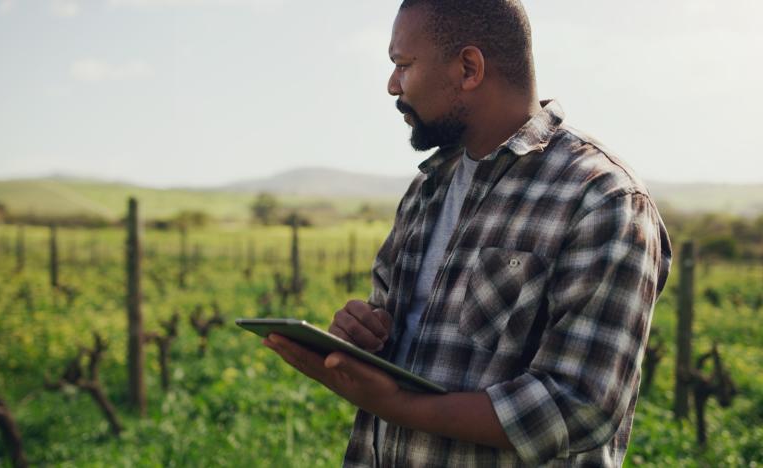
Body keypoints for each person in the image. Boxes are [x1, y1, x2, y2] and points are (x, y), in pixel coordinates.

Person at [263, 0, 672, 466]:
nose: (392, 85)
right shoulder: (428, 187)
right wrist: (363, 339)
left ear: (469, 68)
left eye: (403, 65)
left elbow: (579, 405)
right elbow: (404, 338)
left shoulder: (601, 199)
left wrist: (396, 406)